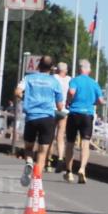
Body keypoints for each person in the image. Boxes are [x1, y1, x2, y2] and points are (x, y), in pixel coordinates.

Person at [15, 54, 65, 187]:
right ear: (52, 68)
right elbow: (60, 106)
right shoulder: (55, 82)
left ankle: (29, 162)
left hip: (31, 117)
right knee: (42, 152)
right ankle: (36, 180)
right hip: (47, 118)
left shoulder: (28, 78)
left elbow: (17, 92)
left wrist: (25, 98)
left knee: (29, 148)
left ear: (38, 65)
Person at [63, 59, 106, 184]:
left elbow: (71, 92)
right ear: (89, 70)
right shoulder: (94, 83)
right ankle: (82, 169)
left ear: (79, 69)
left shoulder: (75, 80)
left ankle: (69, 172)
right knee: (85, 144)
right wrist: (93, 103)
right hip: (87, 115)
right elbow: (101, 101)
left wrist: (69, 101)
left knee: (70, 143)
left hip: (74, 113)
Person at [47, 61, 72, 172]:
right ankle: (60, 158)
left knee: (50, 136)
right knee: (60, 137)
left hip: (52, 109)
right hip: (64, 110)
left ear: (58, 69)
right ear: (66, 70)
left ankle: (49, 161)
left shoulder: (53, 78)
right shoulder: (70, 80)